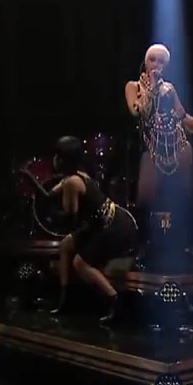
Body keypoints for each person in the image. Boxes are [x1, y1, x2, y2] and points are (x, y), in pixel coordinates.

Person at [22, 136, 139, 323]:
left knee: (80, 263)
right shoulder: (75, 177)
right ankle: (65, 300)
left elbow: (70, 219)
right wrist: (29, 178)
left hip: (115, 228)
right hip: (102, 224)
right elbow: (48, 196)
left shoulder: (72, 183)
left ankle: (115, 302)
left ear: (64, 160)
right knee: (66, 245)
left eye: (58, 156)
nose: (54, 159)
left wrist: (55, 214)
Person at [124, 44, 193, 258]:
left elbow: (183, 118)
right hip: (152, 148)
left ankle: (185, 245)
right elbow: (137, 112)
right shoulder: (134, 87)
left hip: (178, 146)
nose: (156, 65)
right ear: (145, 61)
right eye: (153, 60)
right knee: (146, 199)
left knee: (183, 196)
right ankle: (143, 247)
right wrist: (151, 88)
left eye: (161, 61)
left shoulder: (169, 89)